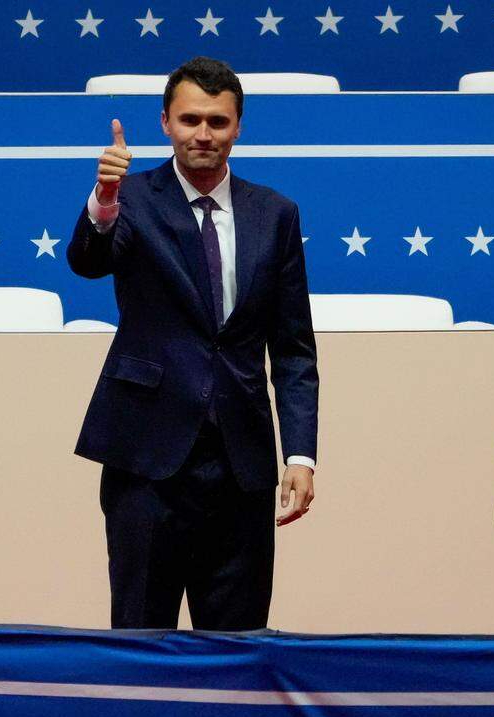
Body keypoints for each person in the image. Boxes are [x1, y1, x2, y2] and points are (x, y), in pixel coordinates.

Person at [66, 56, 318, 632]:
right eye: (189, 120)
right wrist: (104, 200)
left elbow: (294, 348)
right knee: (140, 638)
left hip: (242, 463)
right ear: (165, 123)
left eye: (217, 121)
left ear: (238, 127)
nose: (203, 134)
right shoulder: (127, 197)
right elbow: (86, 260)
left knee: (237, 644)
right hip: (147, 458)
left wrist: (300, 455)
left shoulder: (276, 214)